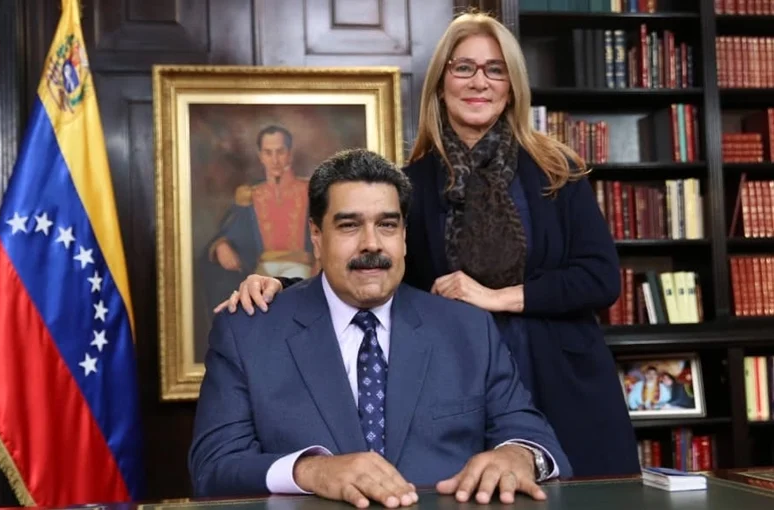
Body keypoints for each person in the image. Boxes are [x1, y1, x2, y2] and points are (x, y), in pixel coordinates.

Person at [214, 11, 641, 478]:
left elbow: (600, 279)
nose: (479, 82)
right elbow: (371, 268)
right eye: (464, 68)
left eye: (495, 69)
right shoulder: (412, 182)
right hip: (454, 378)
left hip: (560, 375)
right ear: (440, 82)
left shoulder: (557, 170)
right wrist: (274, 287)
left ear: (512, 86)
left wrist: (495, 297)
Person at [189, 148, 572, 508]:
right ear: (317, 237)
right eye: (349, 225)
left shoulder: (467, 329)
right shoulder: (248, 333)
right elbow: (213, 468)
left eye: (387, 225)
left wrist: (519, 456)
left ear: (403, 236)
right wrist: (312, 471)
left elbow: (537, 440)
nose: (371, 244)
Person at [200, 125, 315, 310]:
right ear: (261, 156)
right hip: (260, 274)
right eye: (268, 153)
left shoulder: (309, 190)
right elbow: (230, 230)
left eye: (280, 152)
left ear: (290, 154)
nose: (275, 160)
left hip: (304, 273)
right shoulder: (251, 195)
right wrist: (222, 245)